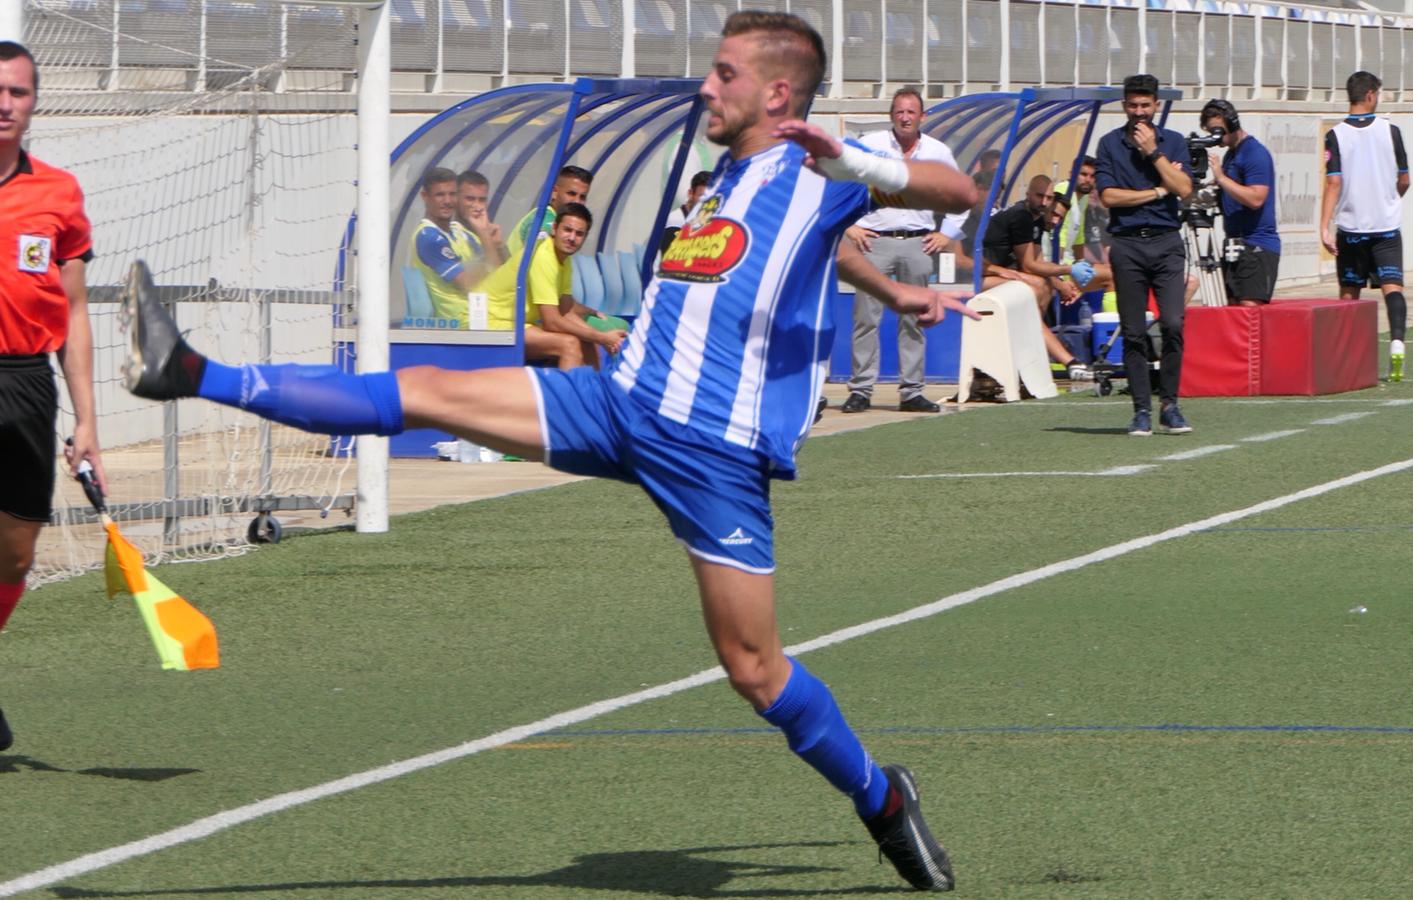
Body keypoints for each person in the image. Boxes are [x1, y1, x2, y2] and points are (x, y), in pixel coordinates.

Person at [121, 11, 975, 891]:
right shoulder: (724, 176)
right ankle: (187, 369)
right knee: (419, 392)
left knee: (755, 671)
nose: (706, 86)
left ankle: (879, 799)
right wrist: (886, 290)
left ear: (778, 91)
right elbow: (808, 257)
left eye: (723, 73)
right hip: (615, 401)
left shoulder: (820, 166)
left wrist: (862, 168)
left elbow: (959, 195)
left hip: (713, 454)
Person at [0, 40, 105, 752]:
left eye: (17, 92)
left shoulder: (58, 193)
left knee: (14, 555)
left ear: (34, 103)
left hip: (25, 383)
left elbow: (75, 314)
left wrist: (89, 418)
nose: (4, 104)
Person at [839, 88, 967, 414]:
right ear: (891, 115)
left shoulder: (938, 151)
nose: (905, 117)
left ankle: (912, 392)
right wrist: (850, 227)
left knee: (914, 319)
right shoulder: (872, 146)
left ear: (922, 116)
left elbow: (961, 195)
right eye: (899, 112)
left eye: (911, 112)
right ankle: (861, 390)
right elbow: (840, 182)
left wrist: (946, 234)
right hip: (875, 240)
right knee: (866, 317)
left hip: (918, 242)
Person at [1094, 73, 1194, 435]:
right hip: (1127, 244)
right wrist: (1156, 191)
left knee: (1173, 323)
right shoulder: (1108, 144)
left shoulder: (1174, 142)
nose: (1139, 112)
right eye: (1133, 106)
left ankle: (1169, 404)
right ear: (1124, 106)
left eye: (1145, 106)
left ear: (1156, 106)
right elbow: (1108, 197)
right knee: (1133, 331)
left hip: (1166, 242)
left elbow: (1184, 189)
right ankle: (1140, 410)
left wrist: (1154, 153)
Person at [1319, 71, 1410, 381]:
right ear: (1371, 95)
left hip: (1352, 228)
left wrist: (1324, 226)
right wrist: (1390, 198)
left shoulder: (1335, 135)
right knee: (1392, 288)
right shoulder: (1391, 130)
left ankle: (1348, 362)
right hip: (1386, 225)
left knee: (1349, 294)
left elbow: (1333, 183)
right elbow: (1405, 178)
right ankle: (1397, 343)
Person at [981, 175, 1088, 373]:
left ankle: (1033, 348)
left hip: (1001, 274)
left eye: (1048, 198)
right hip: (979, 277)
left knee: (1045, 285)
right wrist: (1069, 270)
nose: (1044, 202)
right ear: (1028, 193)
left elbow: (1036, 263)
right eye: (1040, 196)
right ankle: (1056, 357)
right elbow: (1029, 266)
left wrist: (1061, 284)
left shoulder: (1036, 219)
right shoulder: (1021, 215)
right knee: (1036, 287)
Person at [518, 202, 626, 368]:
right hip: (504, 325)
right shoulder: (544, 257)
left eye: (579, 234)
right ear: (554, 229)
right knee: (570, 344)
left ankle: (592, 391)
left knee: (586, 341)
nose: (572, 238)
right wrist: (602, 337)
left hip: (526, 325)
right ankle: (568, 394)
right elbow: (551, 322)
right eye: (567, 230)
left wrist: (597, 334)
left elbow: (566, 309)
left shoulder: (564, 260)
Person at [1202, 99, 1279, 307]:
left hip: (1256, 245)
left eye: (1217, 131)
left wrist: (1222, 178)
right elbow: (1233, 192)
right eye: (1210, 131)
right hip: (1234, 244)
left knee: (1249, 314)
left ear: (1233, 123)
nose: (1215, 137)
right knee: (1233, 312)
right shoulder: (1231, 155)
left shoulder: (1255, 153)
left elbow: (1256, 198)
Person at [411, 166, 493, 322]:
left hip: (483, 312)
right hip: (461, 320)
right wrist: (485, 237)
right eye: (440, 195)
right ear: (425, 197)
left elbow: (496, 269)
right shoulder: (428, 237)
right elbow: (469, 282)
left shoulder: (460, 232)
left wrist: (493, 240)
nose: (447, 201)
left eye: (452, 194)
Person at [507, 164, 593, 263]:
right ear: (555, 192)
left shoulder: (558, 219)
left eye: (582, 197)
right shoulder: (544, 220)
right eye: (571, 194)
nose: (577, 201)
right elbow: (537, 262)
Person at [456, 170, 508, 266]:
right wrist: (484, 235)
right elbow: (492, 272)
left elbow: (509, 273)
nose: (477, 205)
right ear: (456, 198)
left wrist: (499, 246)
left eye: (482, 200)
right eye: (470, 199)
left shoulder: (490, 231)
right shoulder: (450, 233)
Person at [661, 169, 713, 250]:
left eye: (712, 197)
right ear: (690, 193)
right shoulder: (675, 222)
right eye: (702, 197)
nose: (707, 202)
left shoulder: (709, 219)